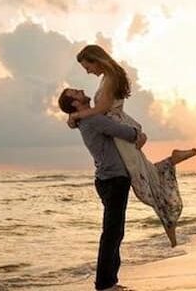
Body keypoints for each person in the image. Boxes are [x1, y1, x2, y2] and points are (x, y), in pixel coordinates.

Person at [69, 44, 196, 247]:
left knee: (144, 182)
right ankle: (172, 163)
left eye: (87, 66)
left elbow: (102, 109)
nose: (88, 71)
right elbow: (102, 112)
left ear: (96, 60)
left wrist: (76, 115)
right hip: (120, 127)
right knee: (146, 173)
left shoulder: (110, 78)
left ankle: (170, 223)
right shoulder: (110, 77)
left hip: (120, 132)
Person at [58, 87, 142, 291]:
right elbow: (127, 133)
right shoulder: (93, 120)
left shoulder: (87, 118)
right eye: (75, 92)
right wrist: (138, 133)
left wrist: (74, 117)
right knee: (112, 232)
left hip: (108, 179)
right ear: (75, 104)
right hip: (113, 179)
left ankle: (110, 281)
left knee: (115, 231)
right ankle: (105, 284)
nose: (80, 90)